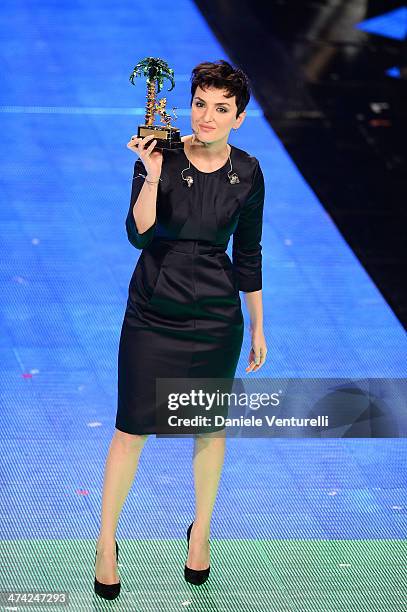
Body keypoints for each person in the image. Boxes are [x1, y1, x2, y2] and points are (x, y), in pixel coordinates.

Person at [94, 59, 268, 600]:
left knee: (208, 428)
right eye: (201, 104)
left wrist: (258, 326)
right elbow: (138, 233)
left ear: (239, 117)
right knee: (132, 428)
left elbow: (250, 253)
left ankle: (201, 535)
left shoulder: (250, 173)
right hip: (152, 310)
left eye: (222, 109)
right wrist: (148, 173)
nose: (208, 116)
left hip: (217, 319)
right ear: (188, 105)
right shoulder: (160, 153)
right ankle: (105, 542)